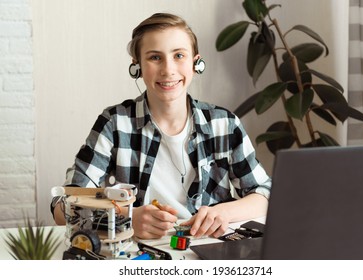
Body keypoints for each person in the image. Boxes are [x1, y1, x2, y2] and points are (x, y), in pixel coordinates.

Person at [51, 12, 271, 240]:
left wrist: (222, 212)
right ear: (137, 65)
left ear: (196, 62)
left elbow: (266, 194)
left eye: (179, 55)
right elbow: (62, 207)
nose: (168, 69)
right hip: (140, 251)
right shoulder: (115, 124)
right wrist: (125, 217)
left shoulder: (224, 124)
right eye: (155, 57)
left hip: (210, 248)